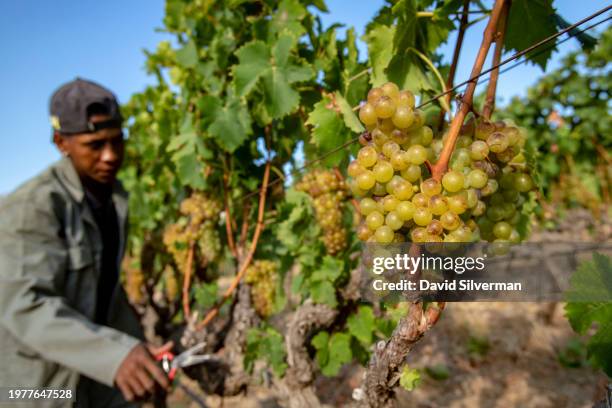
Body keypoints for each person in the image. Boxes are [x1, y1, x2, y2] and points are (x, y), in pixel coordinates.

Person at [0, 78, 171, 407]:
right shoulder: (33, 208)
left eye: (117, 141)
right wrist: (115, 356)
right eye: (95, 145)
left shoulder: (112, 201)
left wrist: (137, 351)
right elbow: (25, 304)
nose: (110, 156)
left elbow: (106, 292)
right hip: (38, 391)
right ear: (61, 142)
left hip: (91, 383)